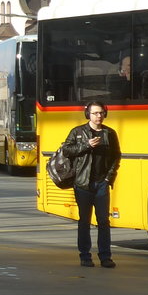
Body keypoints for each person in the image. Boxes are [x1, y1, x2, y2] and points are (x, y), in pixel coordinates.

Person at [60, 101, 121, 267]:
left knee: (103, 221)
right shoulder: (78, 132)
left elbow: (116, 156)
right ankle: (85, 256)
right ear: (88, 115)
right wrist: (86, 145)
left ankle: (105, 257)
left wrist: (109, 178)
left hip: (102, 183)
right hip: (83, 183)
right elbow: (66, 150)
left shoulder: (110, 133)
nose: (98, 116)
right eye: (95, 113)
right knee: (84, 220)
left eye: (101, 113)